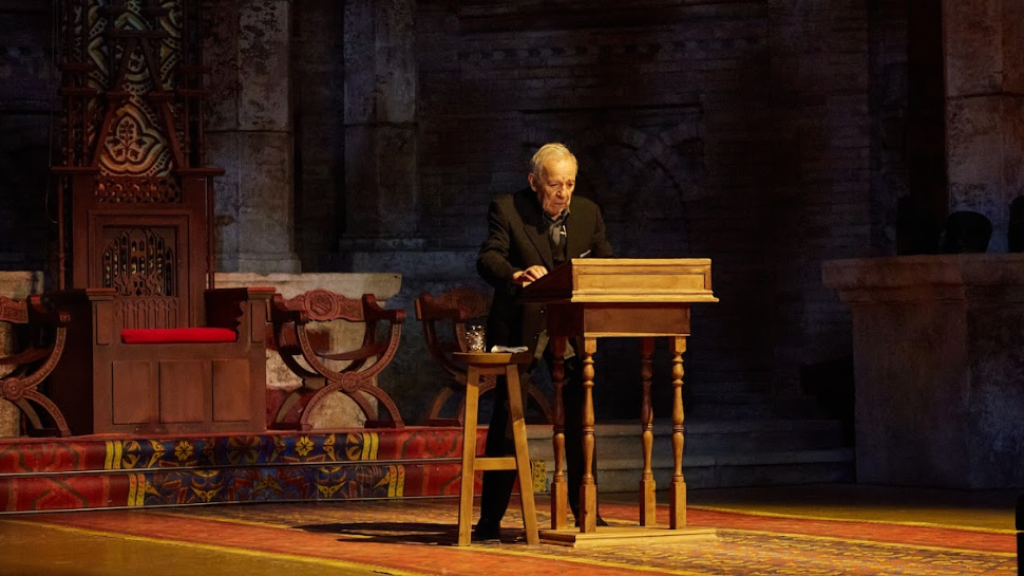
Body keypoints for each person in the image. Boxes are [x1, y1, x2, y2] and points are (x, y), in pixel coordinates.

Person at [474, 142, 613, 540]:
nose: (563, 193)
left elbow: (605, 260)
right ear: (535, 182)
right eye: (555, 184)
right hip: (521, 329)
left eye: (569, 184)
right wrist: (516, 273)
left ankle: (588, 513)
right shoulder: (508, 208)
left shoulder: (588, 213)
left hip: (570, 331)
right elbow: (488, 257)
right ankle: (490, 521)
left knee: (579, 418)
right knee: (507, 418)